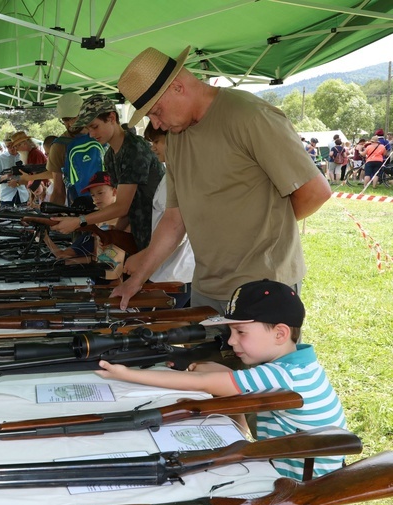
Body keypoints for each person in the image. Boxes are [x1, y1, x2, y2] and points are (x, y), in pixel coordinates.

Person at [113, 45, 331, 311]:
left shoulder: (249, 116)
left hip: (262, 286)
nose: (156, 125)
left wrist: (262, 234)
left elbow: (314, 191)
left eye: (156, 112)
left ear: (178, 87)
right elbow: (174, 218)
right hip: (206, 287)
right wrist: (138, 279)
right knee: (207, 354)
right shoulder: (177, 137)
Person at [97, 279, 347, 481]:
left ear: (280, 333)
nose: (231, 341)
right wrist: (218, 373)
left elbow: (202, 384)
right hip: (288, 468)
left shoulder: (282, 375)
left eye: (241, 332)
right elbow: (237, 386)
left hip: (296, 483)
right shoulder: (299, 365)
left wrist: (127, 373)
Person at [50, 94, 164, 253]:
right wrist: (112, 235)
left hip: (160, 235)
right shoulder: (111, 156)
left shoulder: (134, 149)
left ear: (111, 118)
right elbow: (126, 206)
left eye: (94, 126)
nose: (91, 134)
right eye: (88, 128)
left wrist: (80, 221)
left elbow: (122, 207)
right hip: (141, 235)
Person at [20, 93, 105, 206]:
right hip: (79, 209)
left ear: (83, 113)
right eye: (65, 120)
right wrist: (53, 217)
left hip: (110, 208)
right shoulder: (59, 146)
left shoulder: (101, 136)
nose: (70, 124)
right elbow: (58, 190)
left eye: (74, 118)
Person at [143, 123, 195, 308]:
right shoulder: (173, 173)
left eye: (157, 141)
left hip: (175, 273)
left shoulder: (178, 175)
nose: (153, 147)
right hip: (172, 270)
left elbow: (178, 230)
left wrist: (144, 257)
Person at [0, 139, 27, 207]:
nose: (12, 148)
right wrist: (5, 177)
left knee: (24, 216)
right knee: (7, 216)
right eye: (9, 146)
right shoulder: (1, 158)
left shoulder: (24, 156)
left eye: (14, 146)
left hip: (22, 194)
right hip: (6, 195)